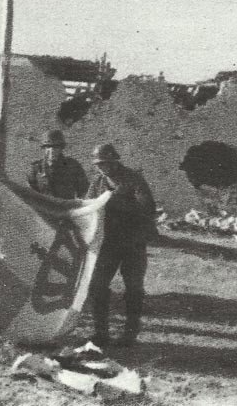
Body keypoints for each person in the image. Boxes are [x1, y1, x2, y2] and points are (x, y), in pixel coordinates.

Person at [86, 143, 158, 347]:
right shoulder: (98, 182)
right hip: (108, 243)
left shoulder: (133, 178)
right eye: (99, 164)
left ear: (115, 161)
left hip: (133, 241)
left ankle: (130, 333)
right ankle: (101, 333)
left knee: (133, 288)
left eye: (106, 163)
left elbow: (147, 207)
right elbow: (88, 205)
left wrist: (113, 201)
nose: (102, 167)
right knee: (97, 286)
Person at [27, 129, 89, 199]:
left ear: (61, 148)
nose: (52, 150)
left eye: (55, 147)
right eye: (48, 147)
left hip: (67, 207)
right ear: (44, 148)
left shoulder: (73, 165)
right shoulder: (36, 168)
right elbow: (31, 194)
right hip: (44, 208)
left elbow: (83, 190)